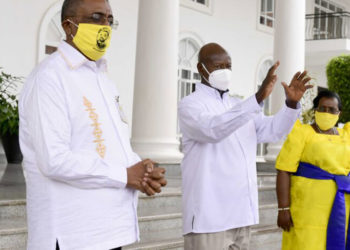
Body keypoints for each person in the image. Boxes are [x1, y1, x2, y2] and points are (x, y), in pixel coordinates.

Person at [19, 0, 167, 249]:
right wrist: (125, 175)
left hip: (108, 231)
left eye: (110, 19)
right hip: (71, 235)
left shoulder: (103, 79)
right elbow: (54, 159)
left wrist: (140, 167)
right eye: (96, 17)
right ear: (69, 25)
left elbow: (109, 143)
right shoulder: (50, 78)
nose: (105, 26)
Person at [178, 43, 312, 250]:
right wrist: (258, 97)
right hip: (208, 216)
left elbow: (273, 130)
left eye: (228, 65)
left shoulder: (236, 105)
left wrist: (291, 104)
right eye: (217, 66)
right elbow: (213, 130)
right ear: (200, 69)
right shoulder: (191, 104)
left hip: (241, 213)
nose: (224, 71)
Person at [276, 90, 350, 250]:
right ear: (315, 110)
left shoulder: (347, 135)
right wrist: (283, 209)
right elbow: (284, 169)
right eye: (322, 108)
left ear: (339, 113)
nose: (326, 113)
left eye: (332, 110)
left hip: (340, 209)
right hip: (306, 210)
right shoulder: (302, 132)